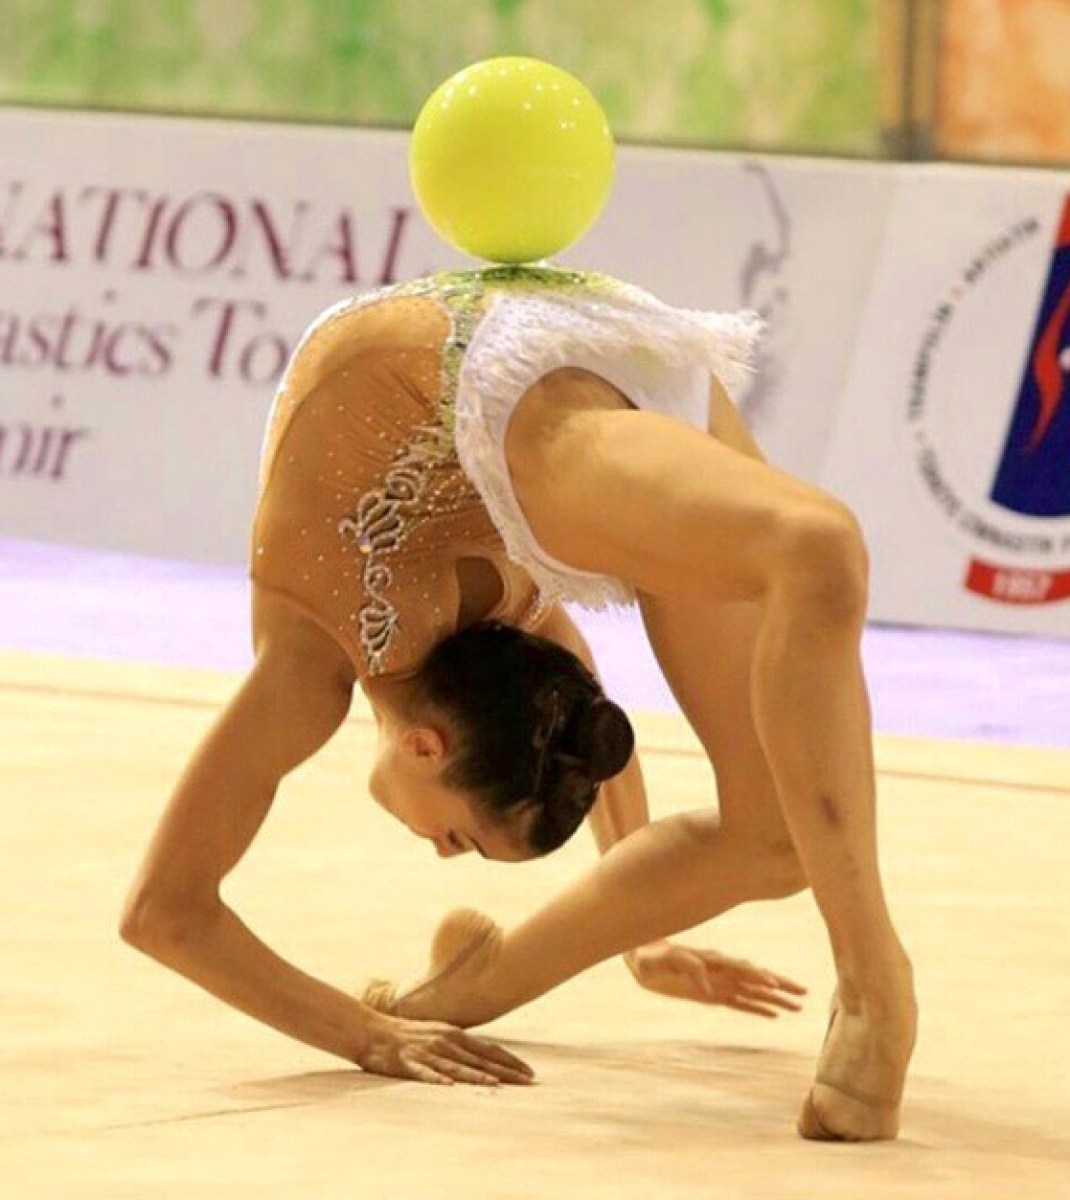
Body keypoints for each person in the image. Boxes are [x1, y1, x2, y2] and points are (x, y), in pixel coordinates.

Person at [120, 264, 916, 1140]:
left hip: (498, 366)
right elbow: (579, 715)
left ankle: (872, 983)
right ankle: (477, 983)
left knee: (814, 549)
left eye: (459, 837)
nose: (442, 853)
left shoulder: (308, 667)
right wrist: (641, 938)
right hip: (595, 335)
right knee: (776, 838)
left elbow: (164, 912)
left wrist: (369, 1037)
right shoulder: (499, 622)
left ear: (427, 746)